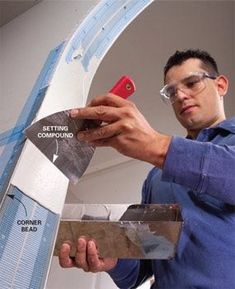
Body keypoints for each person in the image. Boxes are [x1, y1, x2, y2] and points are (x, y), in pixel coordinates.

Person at [59, 49, 235, 289]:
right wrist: (112, 260)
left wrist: (156, 146)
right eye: (172, 92)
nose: (181, 96)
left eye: (192, 83)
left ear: (221, 85)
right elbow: (142, 265)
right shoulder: (157, 176)